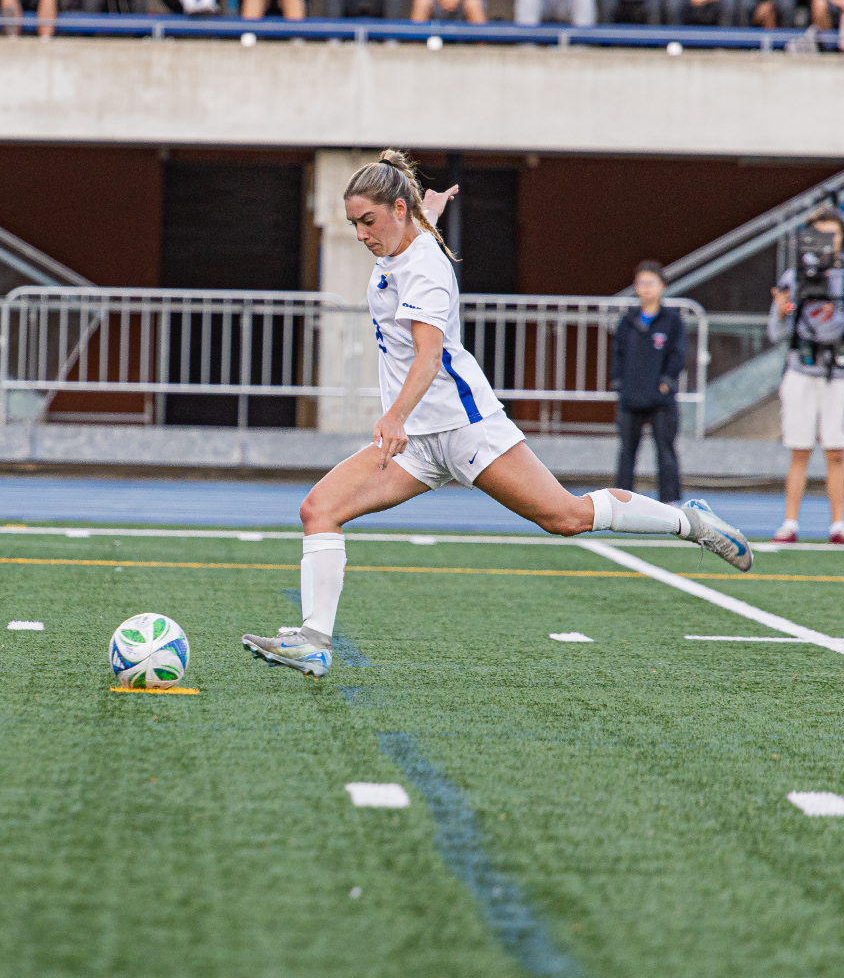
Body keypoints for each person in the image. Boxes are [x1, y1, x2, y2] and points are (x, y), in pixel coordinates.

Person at [240, 151, 753, 679]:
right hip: (418, 443)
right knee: (319, 509)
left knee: (566, 517)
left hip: (466, 429)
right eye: (353, 224)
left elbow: (428, 357)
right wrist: (428, 212)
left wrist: (392, 418)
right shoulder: (404, 239)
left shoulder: (425, 269)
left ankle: (690, 522)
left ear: (397, 209)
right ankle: (314, 641)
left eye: (367, 221)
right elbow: (413, 235)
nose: (360, 235)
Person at [768, 208, 844, 544]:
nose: (827, 242)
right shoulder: (795, 276)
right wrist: (783, 311)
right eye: (819, 235)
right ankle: (789, 523)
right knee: (799, 449)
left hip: (839, 373)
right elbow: (776, 332)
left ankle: (838, 525)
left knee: (836, 451)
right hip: (802, 369)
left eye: (833, 235)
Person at [613, 261, 688, 505]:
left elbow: (678, 355)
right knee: (627, 451)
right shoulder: (628, 321)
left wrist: (667, 381)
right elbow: (618, 354)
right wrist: (619, 383)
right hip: (631, 396)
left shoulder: (672, 321)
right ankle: (621, 500)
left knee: (666, 450)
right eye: (641, 283)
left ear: (662, 286)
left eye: (651, 283)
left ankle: (670, 501)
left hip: (660, 398)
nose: (646, 288)